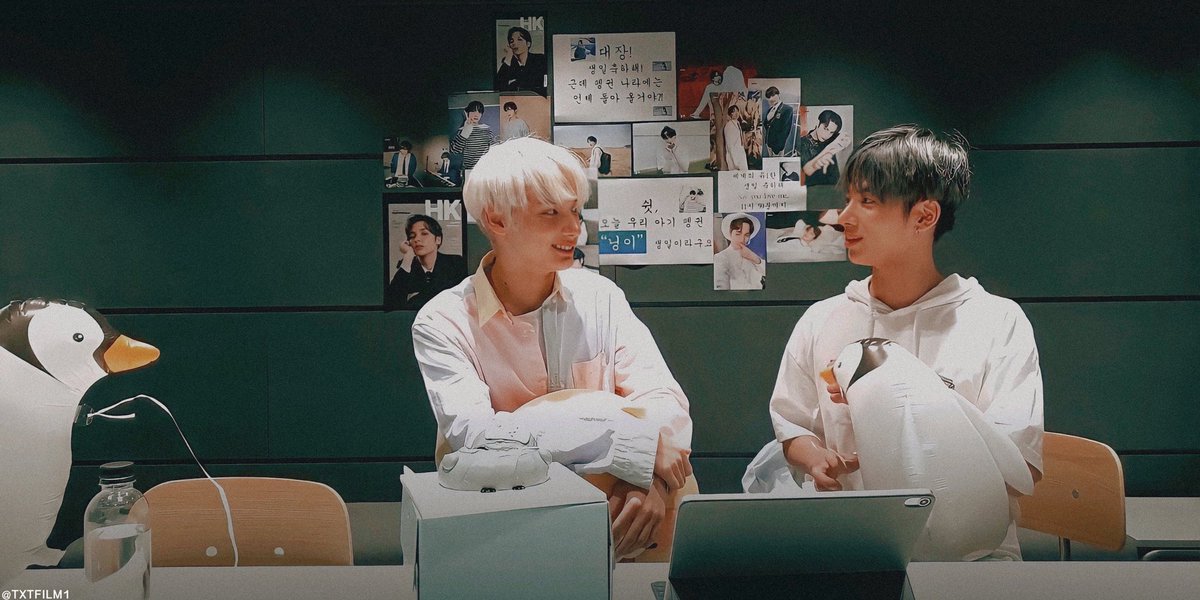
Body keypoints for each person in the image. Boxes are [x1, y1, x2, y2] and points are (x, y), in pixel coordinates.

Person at [767, 125, 1044, 559]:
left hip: (973, 561)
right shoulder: (823, 320)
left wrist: (896, 395)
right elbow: (793, 423)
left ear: (924, 216)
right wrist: (815, 457)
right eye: (849, 200)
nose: (843, 218)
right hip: (851, 549)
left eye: (868, 202)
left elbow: (1019, 465)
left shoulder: (996, 321)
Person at [411, 137, 693, 559]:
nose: (573, 227)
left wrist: (651, 479)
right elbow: (480, 437)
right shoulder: (442, 321)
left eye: (575, 210)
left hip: (624, 532)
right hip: (502, 535)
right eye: (551, 213)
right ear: (497, 219)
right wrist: (629, 438)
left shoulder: (601, 297)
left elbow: (664, 401)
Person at [385, 214, 467, 310]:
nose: (417, 239)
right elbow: (390, 304)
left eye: (424, 234)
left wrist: (415, 298)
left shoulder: (455, 263)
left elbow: (460, 300)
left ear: (438, 239)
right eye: (412, 236)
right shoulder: (406, 268)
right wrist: (408, 256)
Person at [713, 213, 764, 290]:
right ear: (730, 233)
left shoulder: (752, 256)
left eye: (746, 235)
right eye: (738, 234)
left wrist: (754, 258)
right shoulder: (721, 257)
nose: (742, 239)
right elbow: (721, 287)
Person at [798, 109, 847, 186]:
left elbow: (835, 177)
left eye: (831, 132)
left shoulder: (830, 141)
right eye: (825, 129)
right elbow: (805, 172)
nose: (826, 135)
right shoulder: (802, 143)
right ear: (817, 123)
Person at [494, 26, 548, 96]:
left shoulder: (539, 59)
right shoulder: (508, 63)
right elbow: (498, 87)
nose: (514, 43)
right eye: (511, 41)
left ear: (528, 44)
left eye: (519, 40)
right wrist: (509, 56)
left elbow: (540, 84)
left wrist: (513, 83)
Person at [450, 100, 497, 177]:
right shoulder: (462, 130)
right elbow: (454, 150)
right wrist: (465, 133)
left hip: (485, 170)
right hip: (468, 171)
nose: (476, 114)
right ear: (468, 113)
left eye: (479, 112)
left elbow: (494, 150)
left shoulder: (487, 129)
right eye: (473, 111)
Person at [762, 86, 795, 157]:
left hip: (777, 146)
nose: (771, 98)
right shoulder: (770, 110)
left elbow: (786, 130)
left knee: (777, 162)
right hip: (768, 143)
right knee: (771, 161)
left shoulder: (787, 109)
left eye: (773, 95)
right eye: (769, 97)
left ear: (778, 94)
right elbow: (766, 124)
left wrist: (779, 146)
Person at [722, 104, 749, 171]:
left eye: (737, 111)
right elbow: (729, 145)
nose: (736, 113)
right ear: (730, 114)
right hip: (734, 154)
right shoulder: (729, 125)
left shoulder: (738, 123)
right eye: (733, 111)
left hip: (741, 151)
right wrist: (735, 161)